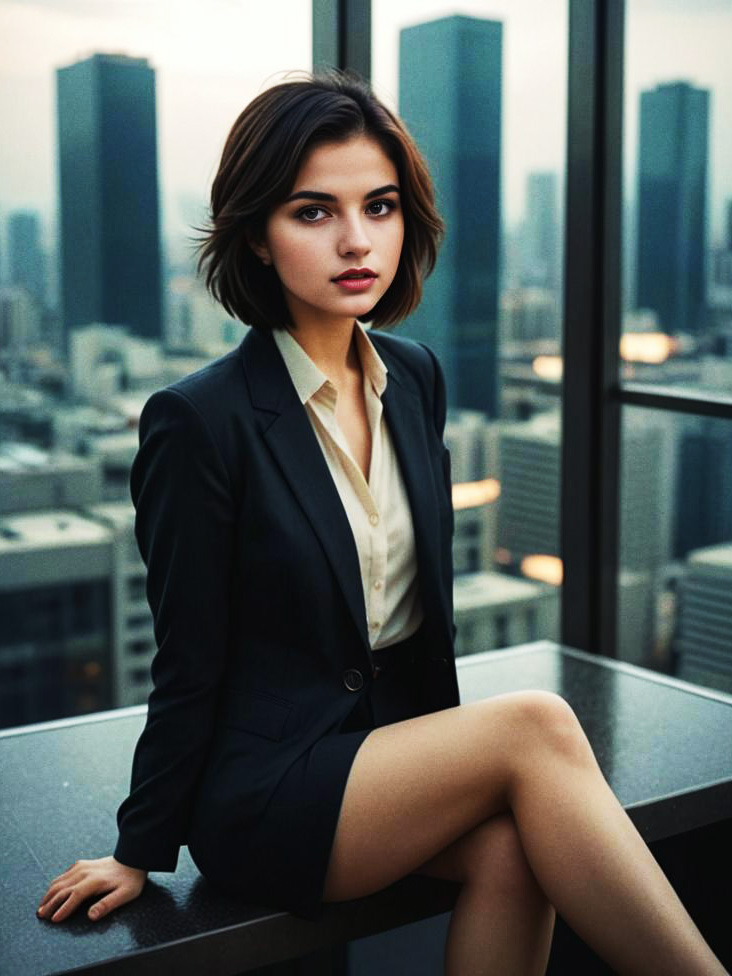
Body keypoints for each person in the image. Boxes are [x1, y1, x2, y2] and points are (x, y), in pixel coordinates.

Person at [37, 71, 726, 976]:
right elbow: (188, 654)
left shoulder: (416, 378)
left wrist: (446, 768)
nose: (357, 240)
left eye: (381, 206)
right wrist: (138, 848)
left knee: (515, 855)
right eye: (314, 212)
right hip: (266, 789)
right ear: (255, 234)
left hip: (384, 760)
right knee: (536, 723)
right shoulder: (199, 421)